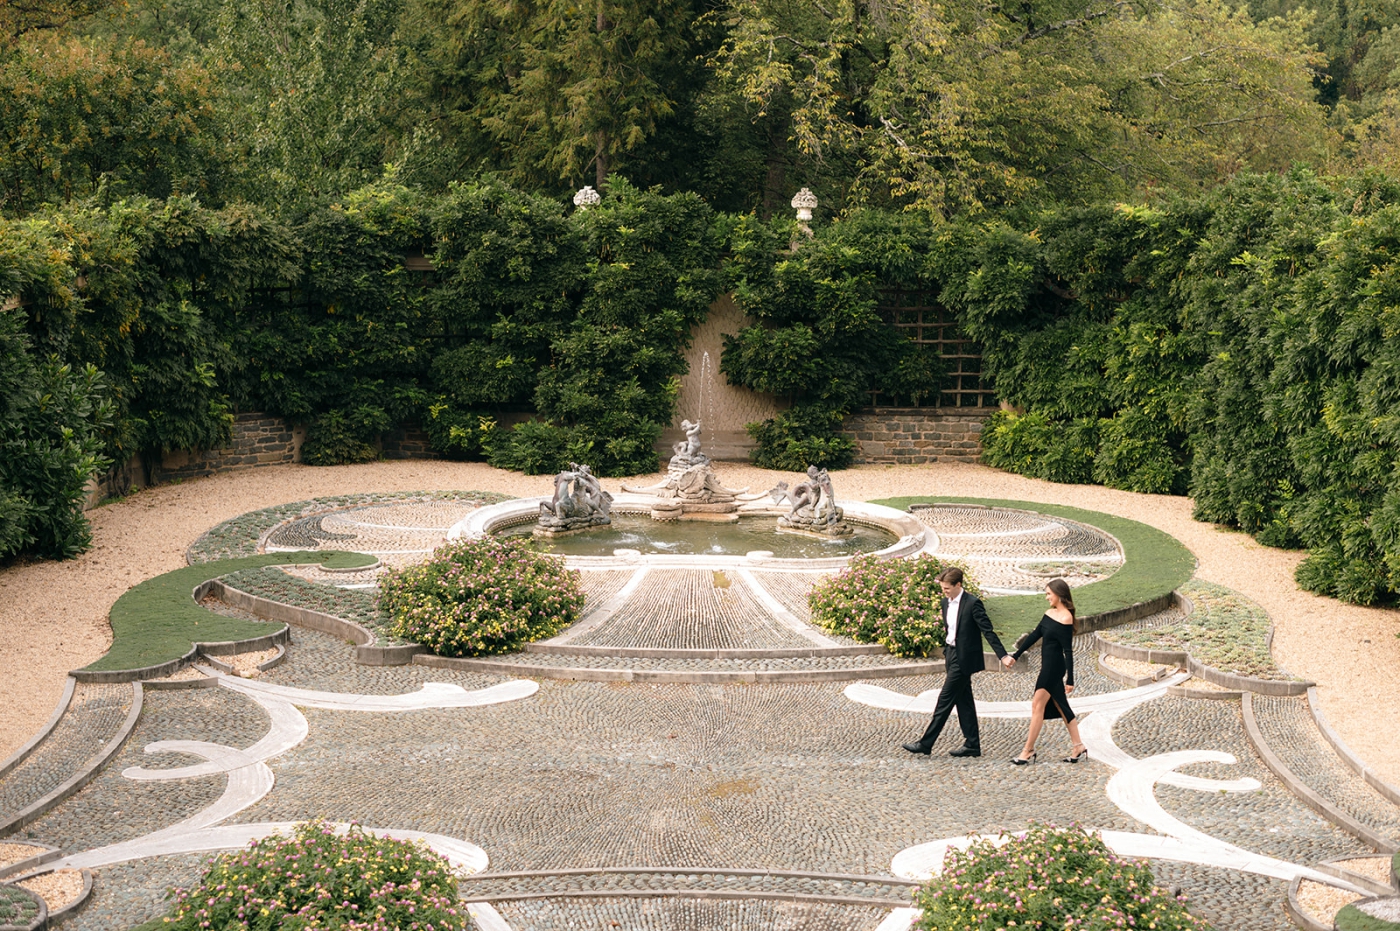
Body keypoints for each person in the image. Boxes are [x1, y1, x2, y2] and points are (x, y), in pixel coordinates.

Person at [902, 567, 1011, 759]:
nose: (944, 592)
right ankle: (972, 745)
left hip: (964, 659)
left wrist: (1003, 656)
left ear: (958, 585)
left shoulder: (973, 604)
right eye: (943, 588)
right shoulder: (945, 602)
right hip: (951, 654)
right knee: (964, 701)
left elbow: (988, 631)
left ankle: (926, 743)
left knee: (944, 700)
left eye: (947, 588)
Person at [1008, 578, 1088, 765]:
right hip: (1047, 666)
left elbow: (1068, 651)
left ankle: (1027, 751)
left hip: (1054, 668)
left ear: (1059, 595)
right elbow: (1035, 635)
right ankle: (1078, 746)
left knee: (1037, 705)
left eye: (1048, 594)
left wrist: (1070, 679)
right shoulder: (1049, 613)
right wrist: (1016, 655)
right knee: (1061, 706)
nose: (1046, 597)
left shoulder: (1066, 618)